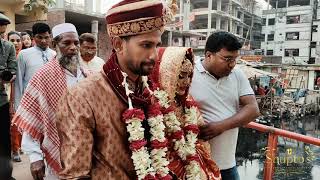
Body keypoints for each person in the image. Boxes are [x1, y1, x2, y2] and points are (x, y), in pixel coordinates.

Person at [56, 0, 166, 179]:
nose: (154, 55)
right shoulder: (81, 96)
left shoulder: (151, 91)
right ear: (118, 45)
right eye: (146, 45)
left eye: (157, 45)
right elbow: (76, 175)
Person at [12, 23, 85, 180]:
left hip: (85, 151)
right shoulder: (43, 76)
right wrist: (34, 157)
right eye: (66, 43)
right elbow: (33, 117)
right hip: (57, 150)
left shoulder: (88, 74)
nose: (73, 48)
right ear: (55, 44)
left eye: (76, 43)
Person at [190, 31, 260, 180]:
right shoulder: (189, 73)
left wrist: (221, 126)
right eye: (227, 59)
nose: (232, 65)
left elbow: (253, 109)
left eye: (235, 59)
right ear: (209, 55)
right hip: (195, 165)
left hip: (228, 165)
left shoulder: (237, 75)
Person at [149, 46, 221, 179]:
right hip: (161, 163)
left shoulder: (187, 100)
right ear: (166, 73)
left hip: (190, 162)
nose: (187, 82)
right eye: (181, 76)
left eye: (189, 75)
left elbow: (198, 131)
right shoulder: (151, 102)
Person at [14, 23, 55, 111]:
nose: (43, 41)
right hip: (30, 101)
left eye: (46, 37)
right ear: (33, 37)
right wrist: (18, 106)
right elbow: (18, 82)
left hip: (50, 102)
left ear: (50, 37)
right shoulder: (24, 54)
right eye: (40, 37)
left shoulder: (54, 55)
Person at [0, 13, 17, 180]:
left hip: (1, 100)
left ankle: (5, 175)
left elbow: (12, 70)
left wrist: (8, 75)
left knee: (4, 140)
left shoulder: (8, 47)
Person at [7, 31, 23, 162]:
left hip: (23, 93)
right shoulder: (6, 57)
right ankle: (15, 149)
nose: (15, 43)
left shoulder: (24, 56)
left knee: (22, 122)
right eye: (12, 40)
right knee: (13, 122)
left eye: (18, 40)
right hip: (10, 94)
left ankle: (19, 146)